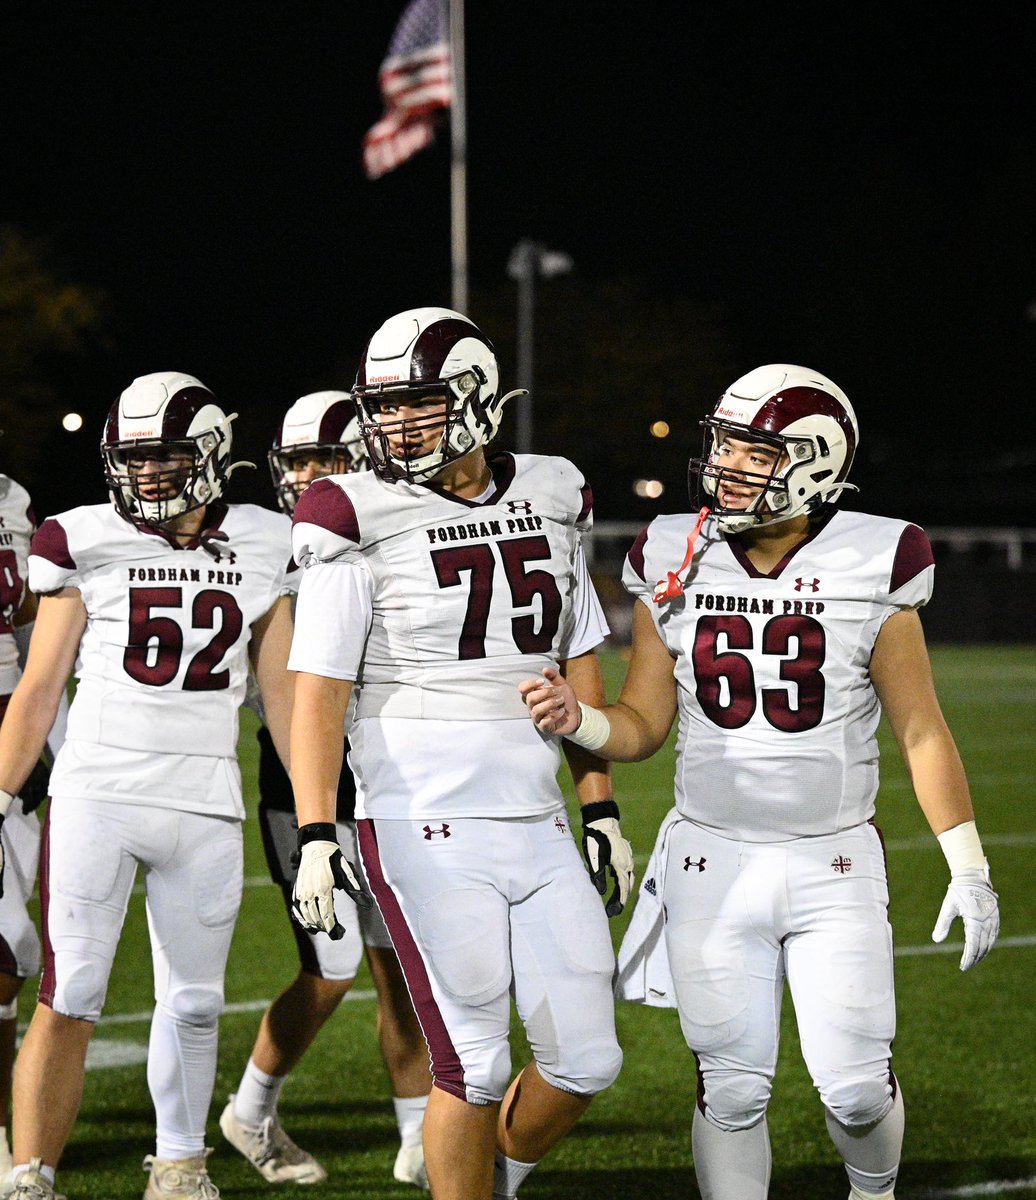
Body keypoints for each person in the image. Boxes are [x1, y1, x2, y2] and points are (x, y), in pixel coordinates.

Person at [520, 363, 1001, 1200]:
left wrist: (969, 865)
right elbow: (642, 724)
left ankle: (874, 1192)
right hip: (711, 859)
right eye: (726, 446)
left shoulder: (875, 557)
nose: (727, 467)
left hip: (832, 861)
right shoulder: (676, 550)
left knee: (856, 1088)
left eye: (754, 453)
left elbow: (922, 729)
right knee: (733, 1087)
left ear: (814, 464)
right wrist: (580, 721)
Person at [286, 307, 631, 1200]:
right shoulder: (349, 511)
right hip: (421, 820)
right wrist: (318, 831)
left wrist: (599, 806)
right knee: (473, 1065)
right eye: (384, 407)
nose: (396, 424)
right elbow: (319, 692)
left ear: (476, 396)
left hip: (538, 817)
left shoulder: (554, 489)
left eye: (419, 403)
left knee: (588, 1059)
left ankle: (491, 1182)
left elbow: (574, 659)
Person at [0, 371, 299, 1200]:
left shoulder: (267, 541)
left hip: (205, 800)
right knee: (72, 990)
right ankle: (31, 1175)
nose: (148, 474)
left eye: (165, 456)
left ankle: (180, 1165)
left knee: (196, 1001)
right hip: (97, 794)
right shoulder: (82, 536)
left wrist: (319, 821)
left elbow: (282, 699)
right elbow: (39, 688)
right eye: (133, 458)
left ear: (212, 453)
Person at [219, 390, 433, 1188]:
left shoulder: (390, 530)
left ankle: (416, 1135)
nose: (309, 475)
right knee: (333, 963)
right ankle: (250, 1109)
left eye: (326, 459)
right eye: (299, 460)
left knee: (400, 965)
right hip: (304, 783)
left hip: (388, 778)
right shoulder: (271, 550)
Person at [0, 470, 69, 1182]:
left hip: (9, 740)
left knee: (12, 955)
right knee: (8, 945)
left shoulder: (13, 499)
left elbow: (28, 630)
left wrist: (60, 746)